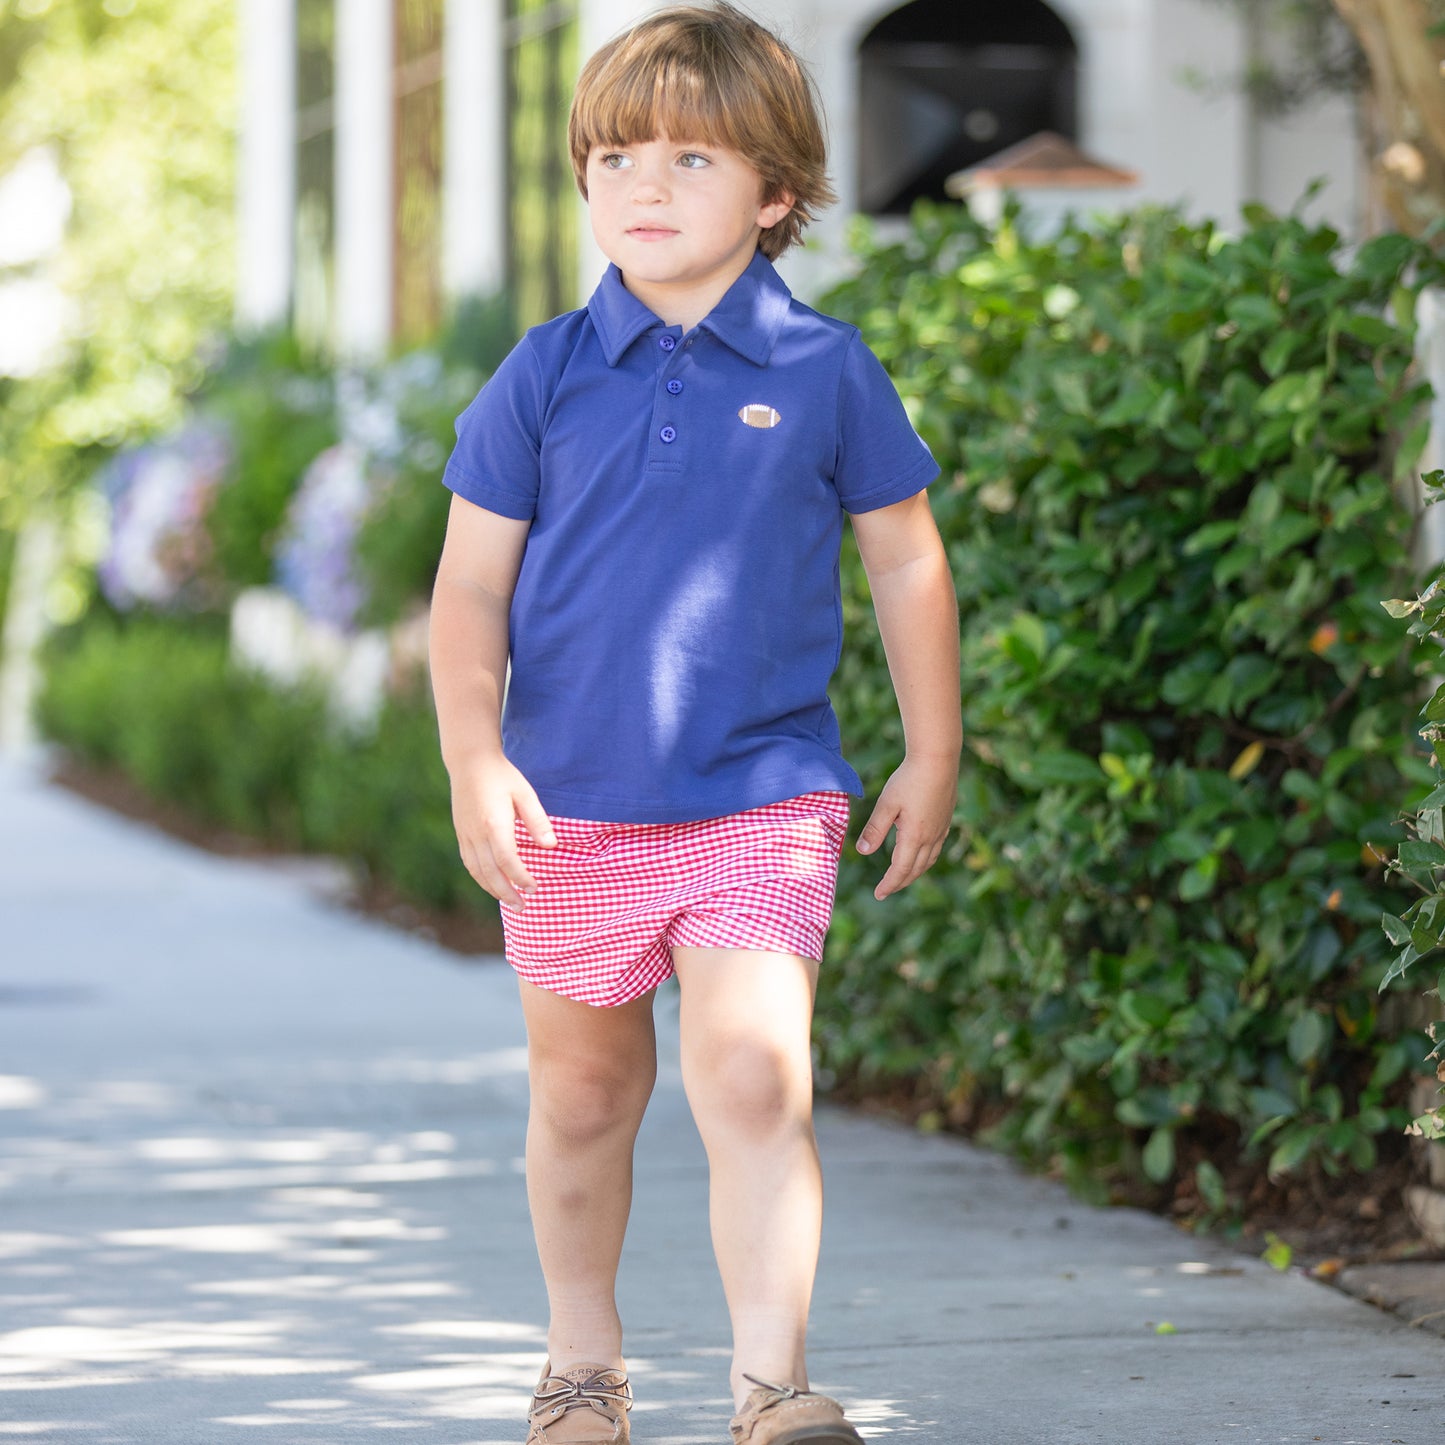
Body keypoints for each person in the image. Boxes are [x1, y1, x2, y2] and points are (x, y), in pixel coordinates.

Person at [428, 5, 961, 1441]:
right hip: (571, 806)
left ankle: (770, 1383)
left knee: (750, 1071)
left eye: (685, 159)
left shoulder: (823, 368)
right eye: (611, 158)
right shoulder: (541, 372)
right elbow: (469, 593)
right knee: (586, 1095)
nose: (640, 189)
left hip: (760, 796)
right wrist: (475, 757)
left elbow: (906, 558)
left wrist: (931, 749)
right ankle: (582, 1363)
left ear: (775, 194)